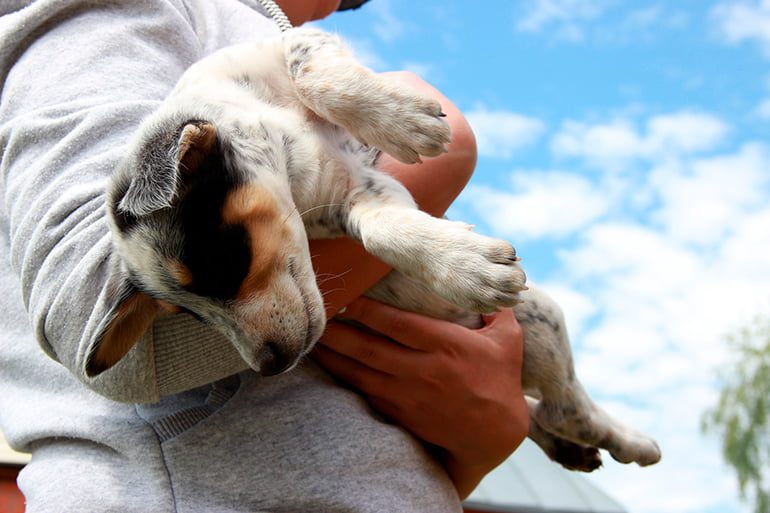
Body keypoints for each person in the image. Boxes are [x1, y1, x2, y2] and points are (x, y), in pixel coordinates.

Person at [0, 0, 528, 511]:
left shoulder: (264, 57)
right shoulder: (119, 12)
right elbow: (91, 325)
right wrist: (446, 158)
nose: (260, 357)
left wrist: (481, 447)